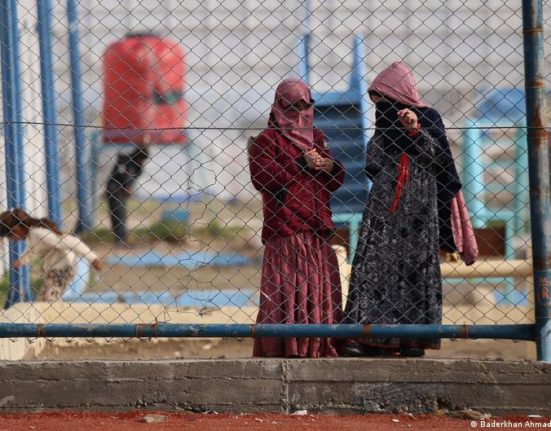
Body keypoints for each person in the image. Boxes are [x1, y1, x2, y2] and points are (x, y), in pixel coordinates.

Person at [341, 61, 478, 358]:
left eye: (384, 100)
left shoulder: (429, 117)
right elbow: (373, 162)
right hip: (384, 209)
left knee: (416, 268)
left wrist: (414, 130)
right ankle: (366, 337)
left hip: (419, 210)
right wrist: (386, 137)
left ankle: (413, 339)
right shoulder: (384, 123)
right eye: (377, 103)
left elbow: (440, 161)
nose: (382, 108)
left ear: (398, 95)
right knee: (373, 266)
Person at [249, 78, 346, 358]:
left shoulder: (317, 137)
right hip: (286, 230)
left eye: (305, 106)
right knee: (288, 287)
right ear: (279, 107)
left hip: (316, 228)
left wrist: (329, 166)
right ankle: (287, 346)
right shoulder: (268, 140)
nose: (300, 113)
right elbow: (263, 179)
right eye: (293, 107)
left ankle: (317, 345)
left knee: (317, 287)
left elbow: (335, 180)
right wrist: (300, 164)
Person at [0, 208, 103, 302]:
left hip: (63, 267)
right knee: (46, 298)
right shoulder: (31, 236)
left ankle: (53, 313)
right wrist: (22, 260)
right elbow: (33, 249)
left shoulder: (38, 233)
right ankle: (52, 313)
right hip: (54, 269)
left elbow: (72, 241)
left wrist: (93, 258)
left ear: (17, 229)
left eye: (10, 236)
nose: (12, 239)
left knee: (49, 298)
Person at [105, 142, 150, 246]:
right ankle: (120, 239)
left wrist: (128, 187)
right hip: (115, 189)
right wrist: (126, 185)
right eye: (141, 159)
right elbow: (120, 174)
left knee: (121, 214)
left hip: (120, 191)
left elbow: (130, 178)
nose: (142, 162)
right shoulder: (125, 160)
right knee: (117, 214)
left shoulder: (138, 166)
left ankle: (122, 239)